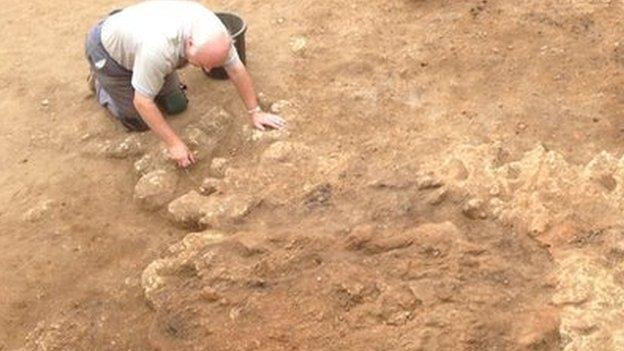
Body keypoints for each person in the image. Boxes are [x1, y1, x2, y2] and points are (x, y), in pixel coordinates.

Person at [85, 0, 285, 167]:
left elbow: (236, 69)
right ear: (189, 44)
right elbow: (143, 102)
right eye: (203, 64)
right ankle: (100, 84)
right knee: (139, 122)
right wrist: (174, 144)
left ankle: (143, 78)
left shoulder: (215, 35)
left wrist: (255, 111)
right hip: (110, 55)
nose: (207, 71)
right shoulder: (158, 50)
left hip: (142, 45)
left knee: (176, 105)